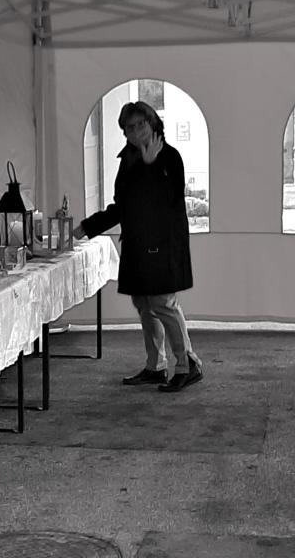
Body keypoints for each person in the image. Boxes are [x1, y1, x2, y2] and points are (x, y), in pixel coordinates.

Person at [74, 101, 202, 392]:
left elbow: (168, 201)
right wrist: (86, 227)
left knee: (163, 303)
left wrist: (151, 165)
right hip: (137, 243)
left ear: (153, 122)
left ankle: (188, 364)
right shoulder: (129, 159)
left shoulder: (169, 157)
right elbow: (123, 206)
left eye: (140, 124)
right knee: (144, 304)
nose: (135, 132)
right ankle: (155, 366)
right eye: (129, 128)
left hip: (162, 243)